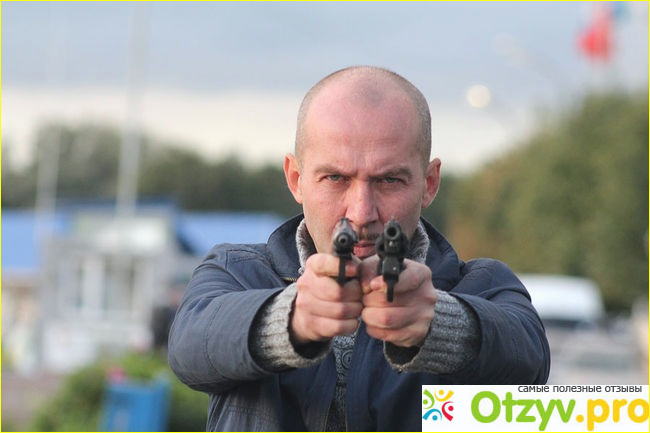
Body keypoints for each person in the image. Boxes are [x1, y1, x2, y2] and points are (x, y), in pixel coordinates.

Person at [168, 65, 550, 431]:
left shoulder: (484, 285)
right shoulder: (236, 271)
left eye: (389, 180)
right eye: (335, 178)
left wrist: (442, 323)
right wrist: (290, 319)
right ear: (296, 178)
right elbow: (189, 346)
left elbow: (532, 365)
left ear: (429, 183)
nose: (362, 213)